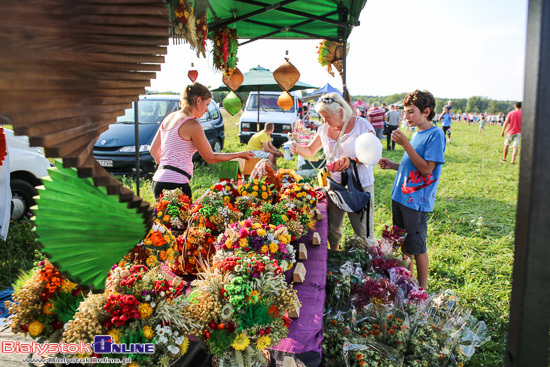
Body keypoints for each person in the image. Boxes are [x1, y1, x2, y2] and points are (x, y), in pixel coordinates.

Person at [290, 92, 376, 249]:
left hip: (358, 187)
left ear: (340, 112)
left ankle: (366, 265)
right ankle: (334, 258)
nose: (324, 121)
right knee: (333, 229)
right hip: (334, 186)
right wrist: (296, 148)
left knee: (363, 232)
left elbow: (373, 154)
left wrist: (353, 160)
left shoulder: (361, 125)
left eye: (327, 117)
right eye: (322, 117)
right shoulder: (323, 129)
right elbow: (310, 150)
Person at [378, 90, 446, 290]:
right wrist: (393, 165)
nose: (405, 117)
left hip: (415, 201)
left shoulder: (436, 135)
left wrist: (406, 144)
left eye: (410, 112)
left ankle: (422, 290)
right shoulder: (417, 133)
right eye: (405, 112)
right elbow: (413, 167)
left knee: (417, 247)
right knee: (403, 244)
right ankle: (407, 283)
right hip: (400, 196)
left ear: (426, 111)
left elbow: (426, 170)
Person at [150, 82, 255, 199]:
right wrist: (239, 154)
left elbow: (153, 150)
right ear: (198, 100)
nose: (206, 110)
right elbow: (210, 158)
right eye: (207, 105)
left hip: (158, 180)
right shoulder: (192, 124)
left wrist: (168, 171)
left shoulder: (169, 117)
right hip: (176, 184)